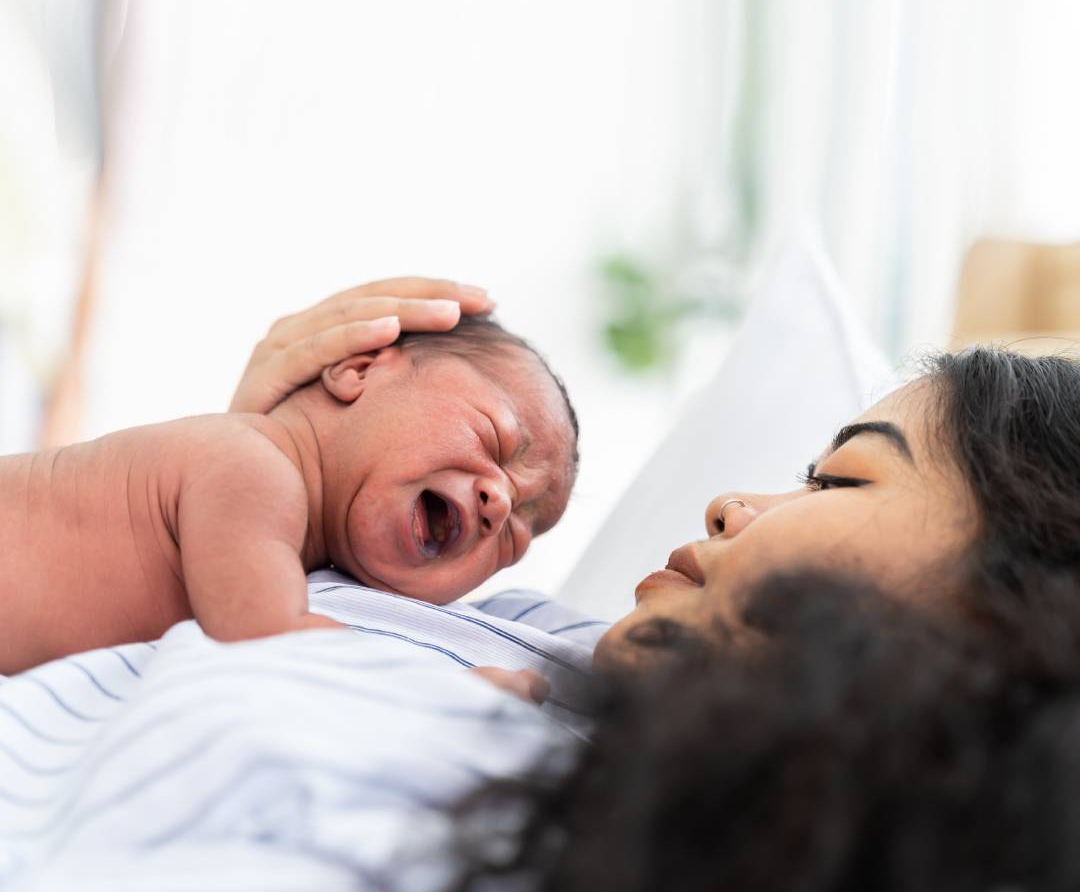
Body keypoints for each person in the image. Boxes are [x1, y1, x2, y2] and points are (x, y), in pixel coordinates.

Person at [5, 276, 1079, 888]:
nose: (727, 505)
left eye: (838, 479)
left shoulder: (645, 831)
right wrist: (277, 474)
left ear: (1014, 608)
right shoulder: (541, 635)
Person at [0, 296, 578, 674]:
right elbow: (276, 650)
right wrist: (452, 693)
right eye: (495, 437)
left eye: (513, 542)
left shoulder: (295, 564)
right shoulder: (253, 468)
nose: (500, 505)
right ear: (358, 369)